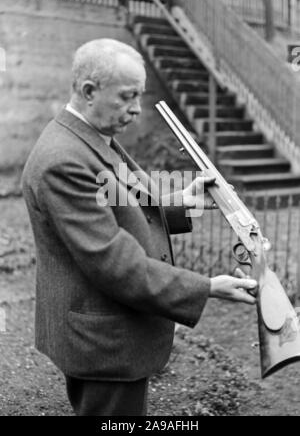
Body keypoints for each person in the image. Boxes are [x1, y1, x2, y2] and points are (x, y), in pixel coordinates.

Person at [22, 39, 257, 416]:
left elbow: (126, 205)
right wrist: (207, 288)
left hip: (111, 330)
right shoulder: (63, 161)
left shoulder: (91, 139)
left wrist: (185, 201)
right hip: (103, 343)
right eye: (128, 97)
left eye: (140, 96)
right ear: (88, 92)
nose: (136, 109)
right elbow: (116, 263)